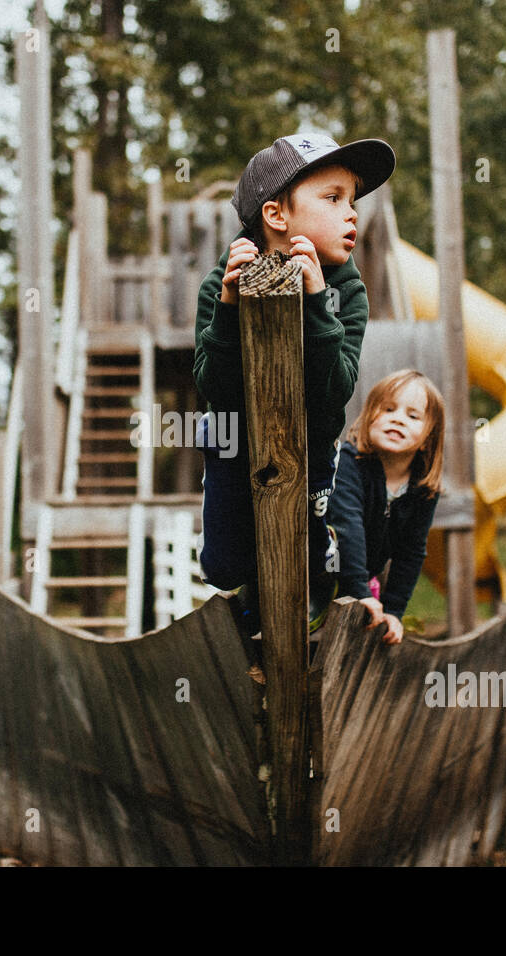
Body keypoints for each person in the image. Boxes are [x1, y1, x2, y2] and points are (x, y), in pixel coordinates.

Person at [193, 132, 395, 634]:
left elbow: (335, 388)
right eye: (333, 198)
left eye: (353, 200)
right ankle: (247, 622)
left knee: (306, 564)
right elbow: (213, 384)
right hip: (233, 443)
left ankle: (300, 639)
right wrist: (228, 309)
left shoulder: (346, 291)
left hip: (308, 448)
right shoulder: (223, 282)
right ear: (276, 216)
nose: (352, 214)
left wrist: (314, 299)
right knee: (225, 564)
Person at [328, 369, 445, 644]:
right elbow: (348, 525)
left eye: (413, 416)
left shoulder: (424, 489)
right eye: (388, 409)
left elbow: (411, 552)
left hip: (361, 583)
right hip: (318, 576)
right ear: (369, 419)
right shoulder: (349, 464)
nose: (398, 419)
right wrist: (359, 591)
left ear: (428, 438)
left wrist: (394, 610)